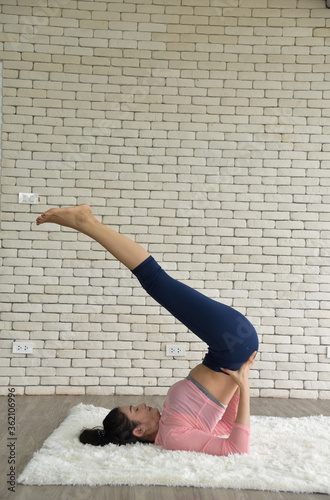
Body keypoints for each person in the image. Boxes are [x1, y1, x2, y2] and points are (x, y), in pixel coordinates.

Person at [36, 204, 258, 456]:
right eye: (135, 409)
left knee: (157, 282)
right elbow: (236, 448)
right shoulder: (173, 436)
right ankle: (85, 221)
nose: (142, 404)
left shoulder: (169, 426)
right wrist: (244, 384)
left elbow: (224, 425)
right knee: (155, 280)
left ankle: (86, 222)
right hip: (232, 344)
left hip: (229, 346)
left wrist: (237, 384)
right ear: (139, 431)